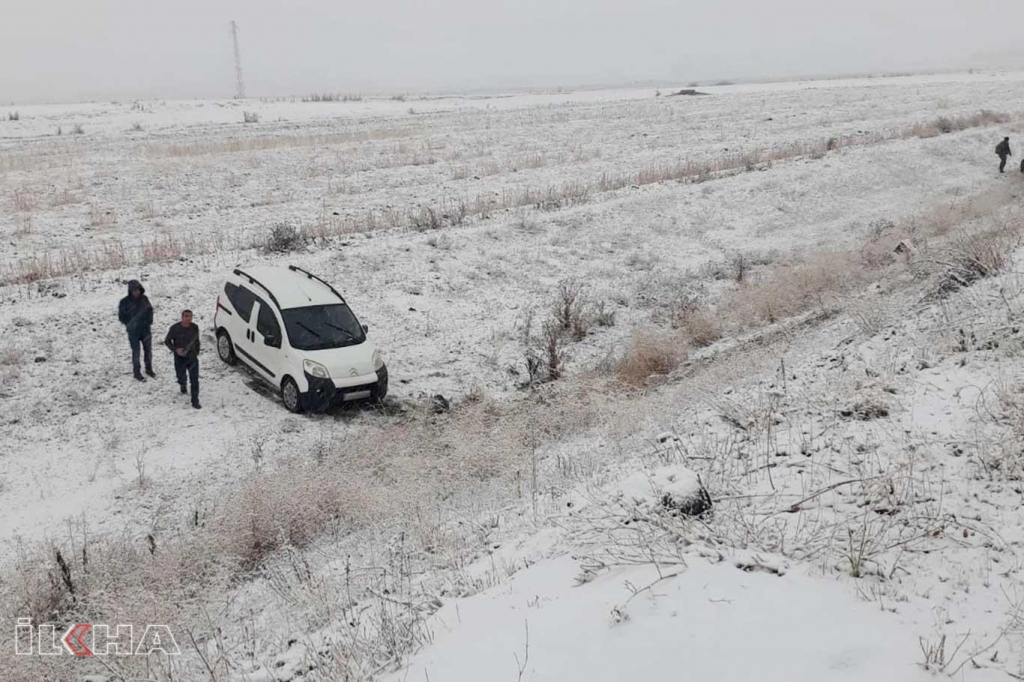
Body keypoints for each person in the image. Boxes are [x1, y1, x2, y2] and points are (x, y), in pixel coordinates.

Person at [117, 279, 154, 381]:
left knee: (148, 351)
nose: (136, 292)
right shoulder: (124, 302)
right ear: (130, 291)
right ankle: (137, 372)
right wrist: (130, 324)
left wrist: (148, 322)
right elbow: (121, 317)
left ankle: (149, 369)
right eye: (134, 290)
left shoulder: (144, 299)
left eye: (138, 289)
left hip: (145, 330)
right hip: (133, 332)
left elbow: (150, 311)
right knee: (136, 352)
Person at [164, 309, 201, 409]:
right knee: (181, 376)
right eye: (185, 316)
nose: (187, 318)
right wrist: (176, 350)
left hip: (192, 357)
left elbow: (197, 341)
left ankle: (195, 400)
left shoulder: (194, 327)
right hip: (179, 358)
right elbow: (167, 341)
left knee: (194, 380)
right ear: (182, 317)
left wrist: (196, 352)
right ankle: (182, 384)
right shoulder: (175, 328)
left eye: (189, 316)